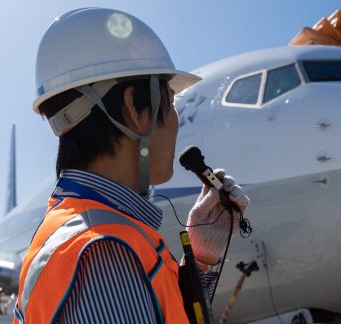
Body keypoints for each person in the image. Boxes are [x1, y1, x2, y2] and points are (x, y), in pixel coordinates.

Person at [13, 8, 249, 324]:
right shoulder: (106, 254)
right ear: (133, 110)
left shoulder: (73, 228)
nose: (176, 122)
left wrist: (202, 257)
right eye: (171, 103)